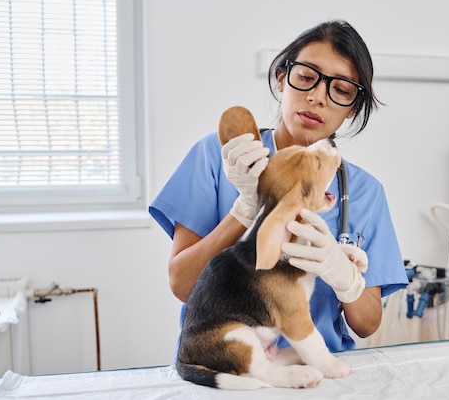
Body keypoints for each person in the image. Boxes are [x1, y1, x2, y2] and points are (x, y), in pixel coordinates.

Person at [149, 19, 408, 352]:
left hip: (319, 373)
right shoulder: (219, 157)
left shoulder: (365, 192)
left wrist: (342, 273)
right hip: (230, 369)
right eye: (306, 77)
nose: (317, 97)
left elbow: (367, 324)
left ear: (351, 108)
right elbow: (183, 285)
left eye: (341, 89)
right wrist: (247, 209)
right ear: (282, 78)